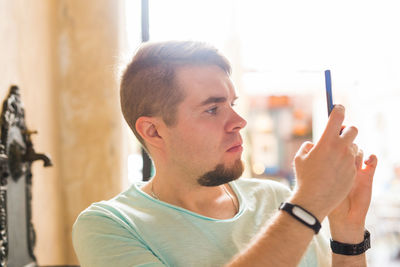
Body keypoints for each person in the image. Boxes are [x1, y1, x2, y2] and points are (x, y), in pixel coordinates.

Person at [72, 41, 378, 267]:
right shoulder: (109, 225)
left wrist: (347, 230)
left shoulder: (275, 198)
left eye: (233, 103)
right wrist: (308, 204)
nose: (239, 122)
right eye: (212, 108)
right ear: (153, 131)